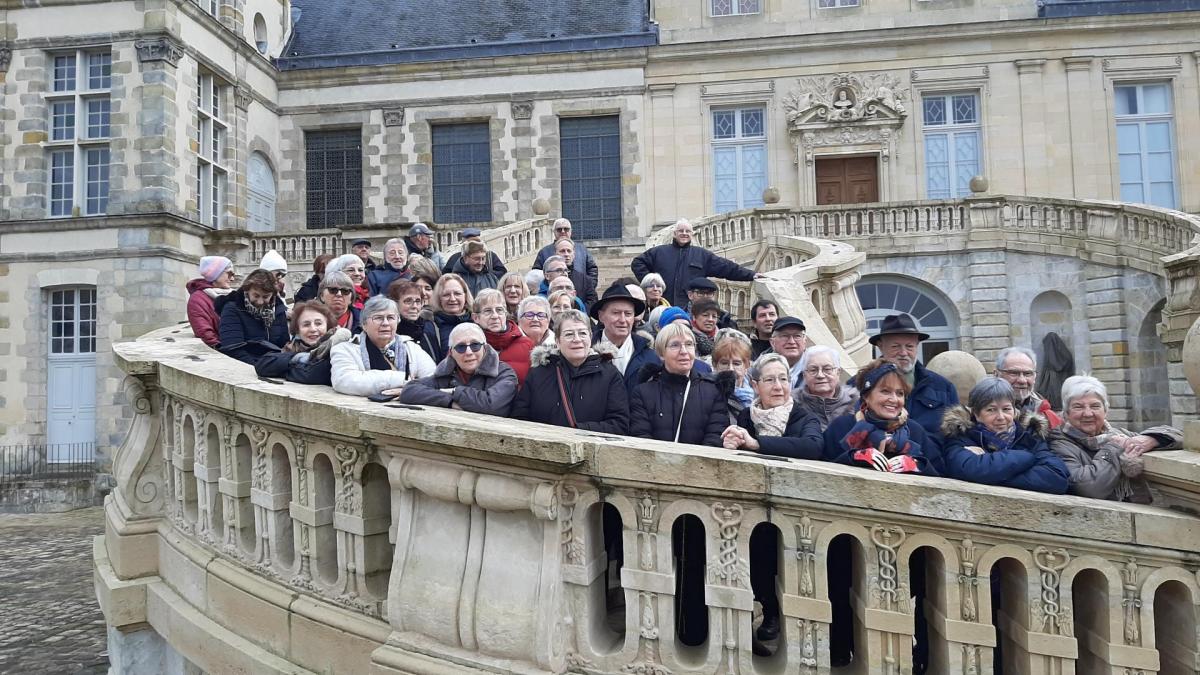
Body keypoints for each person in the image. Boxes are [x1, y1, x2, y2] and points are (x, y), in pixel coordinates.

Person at [1048, 375, 1182, 503]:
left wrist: (1150, 439)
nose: (1088, 413)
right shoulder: (1059, 444)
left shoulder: (1116, 433)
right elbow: (1089, 487)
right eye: (1078, 407)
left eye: (1095, 406)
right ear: (1066, 414)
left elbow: (1180, 436)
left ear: (1106, 411)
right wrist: (1112, 449)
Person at [940, 377, 1069, 493]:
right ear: (976, 414)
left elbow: (1057, 478)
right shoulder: (960, 436)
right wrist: (1027, 457)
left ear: (1014, 410)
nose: (1001, 417)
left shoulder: (1029, 435)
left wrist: (994, 473)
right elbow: (971, 469)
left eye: (1006, 409)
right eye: (991, 410)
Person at [511, 310, 629, 433]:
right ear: (557, 341)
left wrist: (577, 432)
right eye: (569, 334)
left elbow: (619, 424)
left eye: (582, 333)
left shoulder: (610, 375)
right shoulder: (538, 374)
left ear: (590, 337)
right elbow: (520, 419)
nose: (577, 339)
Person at [824, 358, 942, 475]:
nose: (894, 399)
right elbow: (821, 470)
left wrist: (916, 465)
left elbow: (940, 474)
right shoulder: (842, 427)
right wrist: (854, 457)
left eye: (900, 393)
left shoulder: (914, 431)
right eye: (885, 391)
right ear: (866, 396)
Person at [630, 322, 727, 446]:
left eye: (689, 344)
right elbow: (641, 438)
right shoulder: (643, 393)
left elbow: (715, 438)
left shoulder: (713, 391)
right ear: (661, 354)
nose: (684, 351)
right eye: (675, 345)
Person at [631, 218, 760, 308]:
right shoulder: (659, 252)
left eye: (687, 231)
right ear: (674, 234)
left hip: (690, 310)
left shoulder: (702, 255)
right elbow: (637, 263)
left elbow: (727, 268)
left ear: (692, 235)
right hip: (661, 306)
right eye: (681, 231)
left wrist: (751, 275)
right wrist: (650, 283)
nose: (684, 234)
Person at [400, 323, 519, 416]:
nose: (469, 352)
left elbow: (493, 406)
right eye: (461, 347)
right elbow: (409, 391)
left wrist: (454, 391)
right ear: (451, 352)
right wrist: (449, 401)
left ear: (485, 348)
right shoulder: (446, 372)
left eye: (475, 345)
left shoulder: (504, 373)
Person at [871, 313, 957, 438]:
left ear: (917, 345)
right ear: (880, 346)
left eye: (909, 346)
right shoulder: (860, 386)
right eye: (895, 346)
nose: (903, 353)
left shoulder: (943, 388)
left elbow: (955, 438)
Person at [330, 296, 436, 397]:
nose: (385, 323)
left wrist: (407, 391)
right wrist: (400, 379)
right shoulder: (345, 349)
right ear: (364, 324)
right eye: (378, 318)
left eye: (390, 318)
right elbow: (344, 381)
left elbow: (434, 380)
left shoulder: (411, 348)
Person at [723, 352, 823, 459]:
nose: (778, 387)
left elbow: (813, 447)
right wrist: (732, 441)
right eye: (769, 380)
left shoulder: (805, 418)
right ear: (755, 386)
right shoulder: (746, 416)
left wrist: (756, 443)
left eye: (783, 379)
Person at [254, 301, 351, 385]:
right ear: (297, 331)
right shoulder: (292, 347)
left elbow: (314, 374)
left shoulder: (337, 346)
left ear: (328, 326)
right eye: (306, 324)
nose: (313, 329)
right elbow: (263, 365)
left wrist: (284, 371)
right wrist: (298, 357)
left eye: (318, 323)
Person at [591, 283, 661, 397]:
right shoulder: (585, 353)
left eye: (628, 314)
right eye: (616, 313)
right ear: (601, 316)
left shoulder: (650, 357)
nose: (623, 320)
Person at [216, 269, 289, 365]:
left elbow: (283, 343)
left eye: (265, 297)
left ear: (273, 295)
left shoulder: (278, 310)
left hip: (274, 363)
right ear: (247, 290)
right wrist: (261, 368)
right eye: (256, 295)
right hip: (248, 366)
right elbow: (233, 349)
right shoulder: (232, 309)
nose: (260, 302)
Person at [473, 289, 533, 386]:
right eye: (488, 311)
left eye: (499, 310)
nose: (495, 316)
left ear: (505, 314)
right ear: (476, 318)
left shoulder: (527, 345)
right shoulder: (465, 345)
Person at [793, 345, 859, 430]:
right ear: (804, 375)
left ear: (838, 372)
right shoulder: (792, 403)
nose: (820, 375)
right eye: (813, 370)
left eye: (827, 369)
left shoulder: (856, 401)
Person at [994, 346, 1062, 428]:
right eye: (1014, 373)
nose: (1022, 380)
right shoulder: (981, 411)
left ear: (1035, 376)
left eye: (1027, 373)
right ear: (996, 374)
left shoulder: (1049, 417)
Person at [534, 217, 598, 292]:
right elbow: (536, 274)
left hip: (580, 292)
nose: (563, 231)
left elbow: (592, 269)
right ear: (554, 232)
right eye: (559, 229)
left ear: (571, 231)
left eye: (566, 229)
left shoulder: (582, 249)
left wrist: (588, 287)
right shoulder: (544, 252)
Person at [422, 273, 474, 362]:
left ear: (465, 296)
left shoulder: (477, 322)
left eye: (457, 293)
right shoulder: (431, 327)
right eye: (446, 295)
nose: (452, 299)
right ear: (439, 298)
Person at [187, 256, 235, 348]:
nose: (232, 279)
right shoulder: (197, 299)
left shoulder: (232, 294)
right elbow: (204, 332)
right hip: (224, 350)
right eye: (229, 274)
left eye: (233, 274)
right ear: (217, 274)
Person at [711, 332, 754, 423]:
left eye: (736, 363)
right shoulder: (709, 395)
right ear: (715, 365)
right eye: (724, 363)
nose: (730, 369)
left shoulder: (759, 393)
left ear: (747, 366)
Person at [443, 227, 508, 277]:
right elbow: (446, 276)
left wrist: (485, 275)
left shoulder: (490, 256)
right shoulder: (455, 258)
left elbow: (502, 273)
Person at [386, 279, 431, 347]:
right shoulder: (387, 331)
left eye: (418, 301)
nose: (414, 306)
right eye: (408, 301)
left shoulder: (429, 328)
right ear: (395, 303)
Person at [553, 238, 597, 305]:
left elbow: (593, 301)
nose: (566, 254)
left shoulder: (586, 280)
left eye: (569, 251)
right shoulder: (550, 277)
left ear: (573, 254)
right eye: (562, 251)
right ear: (555, 254)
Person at [767, 316, 808, 388]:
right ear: (772, 342)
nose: (791, 342)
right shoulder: (760, 370)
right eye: (784, 336)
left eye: (797, 336)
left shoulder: (817, 369)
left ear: (805, 342)